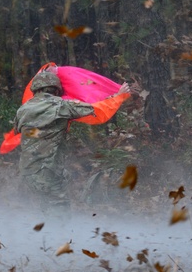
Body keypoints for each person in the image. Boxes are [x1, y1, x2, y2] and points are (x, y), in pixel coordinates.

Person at [15, 67, 131, 213]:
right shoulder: (61, 106)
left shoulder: (23, 110)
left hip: (27, 171)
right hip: (47, 171)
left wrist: (44, 133)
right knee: (59, 211)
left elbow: (23, 131)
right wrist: (118, 97)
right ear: (56, 89)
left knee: (47, 206)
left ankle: (45, 233)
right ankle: (57, 235)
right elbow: (96, 110)